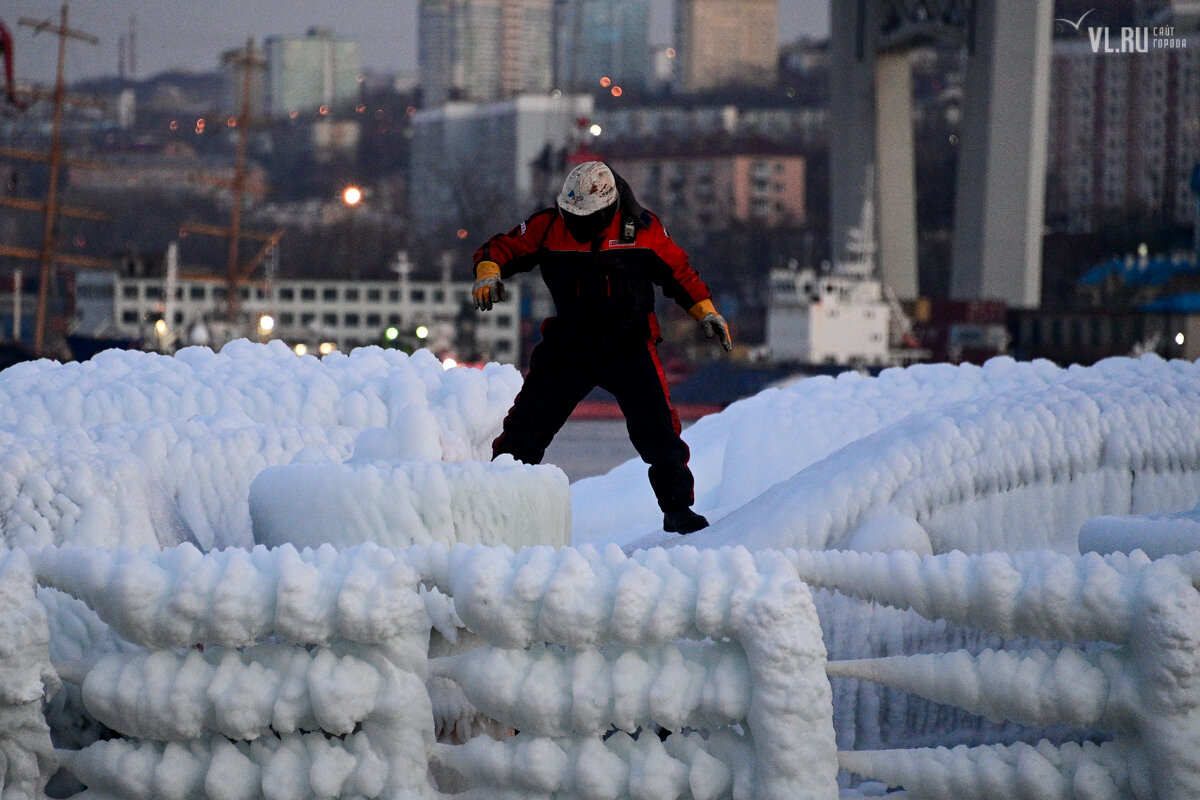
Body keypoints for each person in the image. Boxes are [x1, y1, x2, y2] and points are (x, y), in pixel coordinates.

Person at [471, 161, 732, 534]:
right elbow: (502, 247)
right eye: (569, 215)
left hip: (628, 345)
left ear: (608, 209)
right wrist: (488, 269)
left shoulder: (642, 231)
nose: (574, 225)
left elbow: (679, 272)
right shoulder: (548, 227)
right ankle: (495, 504)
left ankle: (678, 510)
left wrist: (706, 312)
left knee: (659, 431)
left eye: (583, 218)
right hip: (569, 344)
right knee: (525, 429)